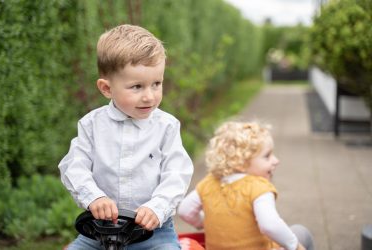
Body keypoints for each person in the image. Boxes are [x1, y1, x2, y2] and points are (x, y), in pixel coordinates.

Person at [59, 24, 194, 250]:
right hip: (99, 231)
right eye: (137, 87)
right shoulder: (92, 125)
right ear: (106, 88)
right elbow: (74, 166)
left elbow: (177, 174)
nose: (149, 96)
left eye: (156, 84)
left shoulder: (166, 126)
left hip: (153, 233)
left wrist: (157, 207)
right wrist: (94, 198)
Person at [178, 121, 315, 250]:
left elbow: (185, 210)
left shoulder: (209, 183)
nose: (276, 160)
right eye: (267, 156)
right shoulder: (258, 187)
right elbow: (270, 225)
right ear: (241, 163)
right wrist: (294, 245)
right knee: (300, 232)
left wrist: (204, 222)